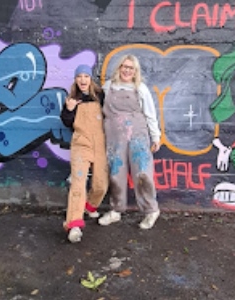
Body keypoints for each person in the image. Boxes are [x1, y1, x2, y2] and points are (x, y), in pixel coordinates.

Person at [99, 54, 161, 230]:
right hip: (114, 137)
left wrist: (156, 136)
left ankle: (151, 210)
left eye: (131, 68)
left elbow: (150, 114)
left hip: (137, 136)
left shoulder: (141, 89)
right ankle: (116, 210)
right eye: (124, 66)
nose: (127, 70)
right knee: (116, 174)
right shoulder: (108, 87)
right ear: (119, 68)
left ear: (135, 72)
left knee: (143, 173)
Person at [60, 64, 109, 243]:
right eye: (79, 76)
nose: (82, 80)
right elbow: (66, 122)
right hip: (81, 144)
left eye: (85, 76)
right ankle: (73, 224)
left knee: (101, 185)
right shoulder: (72, 99)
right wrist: (69, 110)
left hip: (101, 144)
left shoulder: (101, 96)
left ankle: (90, 206)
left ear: (90, 79)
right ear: (75, 79)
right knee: (78, 183)